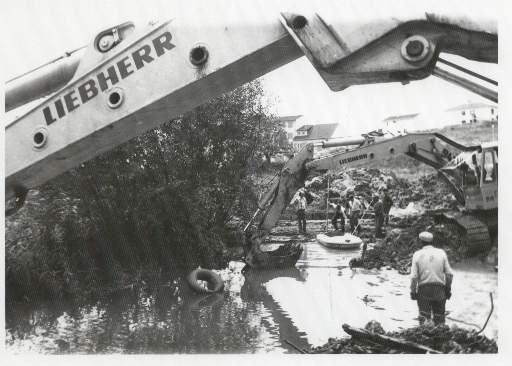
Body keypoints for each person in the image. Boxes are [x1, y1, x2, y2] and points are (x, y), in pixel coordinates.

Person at [410, 231, 453, 325]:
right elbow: (449, 275)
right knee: (440, 321)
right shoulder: (441, 253)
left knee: (424, 320)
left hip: (424, 290)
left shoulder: (417, 254)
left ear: (420, 242)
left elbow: (414, 278)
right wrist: (447, 290)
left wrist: (413, 292)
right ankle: (441, 338)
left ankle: (425, 337)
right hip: (439, 290)